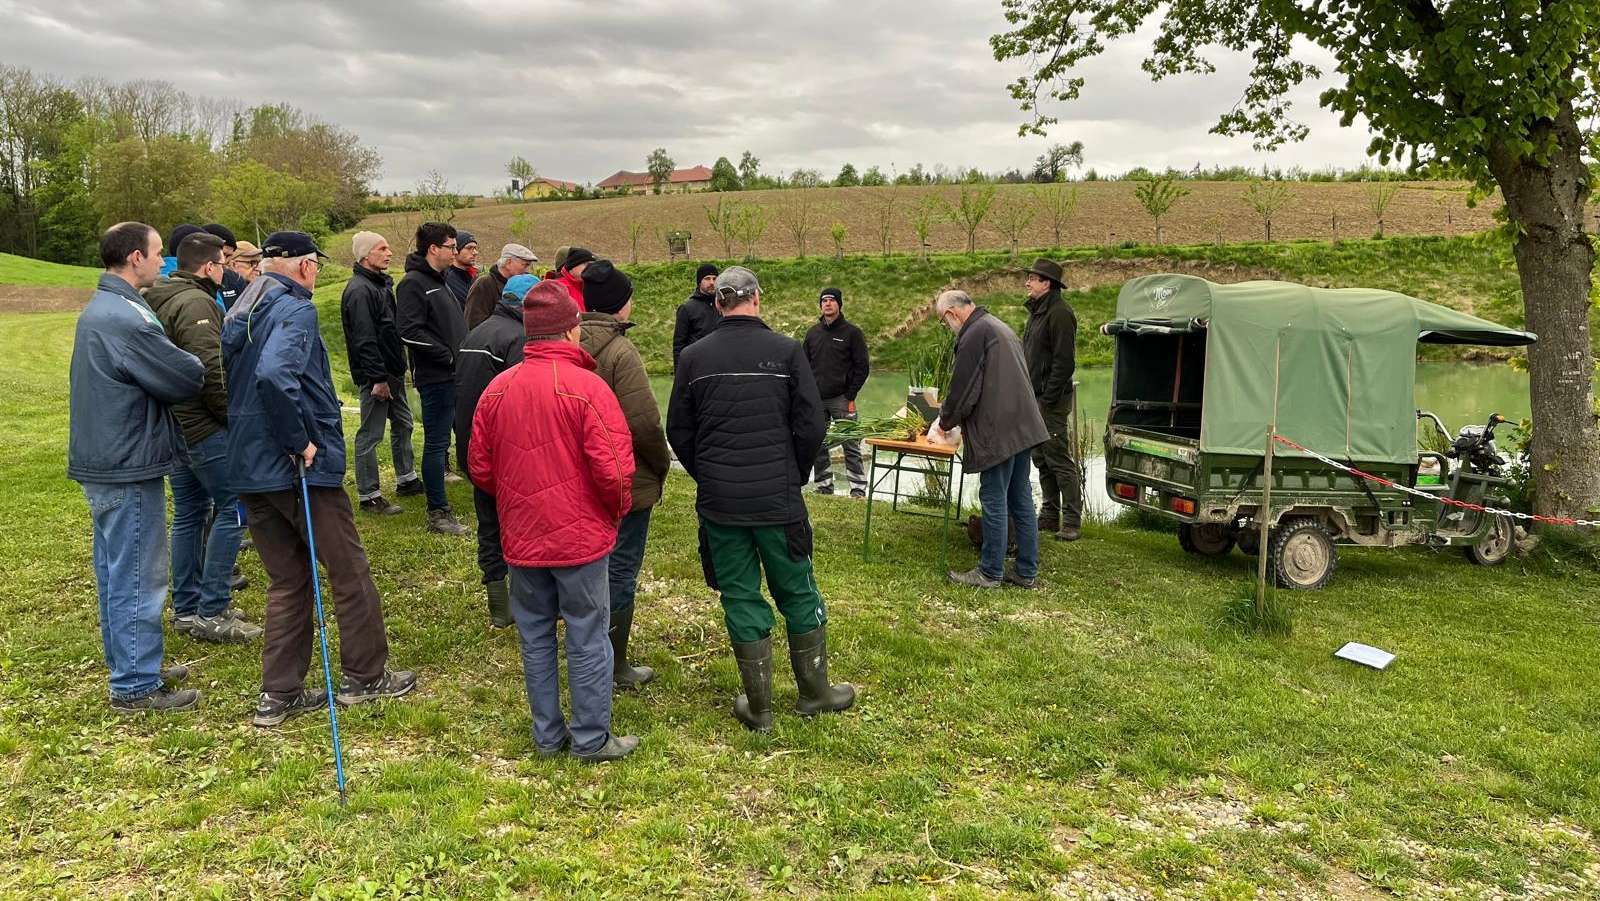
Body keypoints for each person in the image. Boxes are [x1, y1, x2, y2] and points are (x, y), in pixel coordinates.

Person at [221, 231, 417, 727]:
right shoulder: (295, 310)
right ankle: (367, 676)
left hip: (249, 464)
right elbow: (272, 377)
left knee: (287, 580)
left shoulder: (242, 304)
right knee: (348, 571)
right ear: (306, 267)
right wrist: (300, 442)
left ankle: (280, 693)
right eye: (316, 266)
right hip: (297, 468)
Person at [666, 266, 853, 732]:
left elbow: (679, 431)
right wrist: (792, 472)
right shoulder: (788, 351)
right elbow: (812, 425)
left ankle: (761, 708)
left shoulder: (692, 357)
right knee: (797, 588)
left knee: (740, 593)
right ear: (758, 299)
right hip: (778, 500)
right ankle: (815, 693)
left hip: (720, 503)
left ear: (718, 304)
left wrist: (709, 474)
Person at [469, 280, 640, 762]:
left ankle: (548, 736)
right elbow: (615, 470)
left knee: (537, 636)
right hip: (580, 539)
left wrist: (518, 500)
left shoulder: (498, 390)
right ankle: (590, 739)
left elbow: (480, 467)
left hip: (522, 538)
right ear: (570, 331)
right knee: (587, 636)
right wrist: (615, 511)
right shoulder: (589, 389)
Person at [69, 222, 205, 712]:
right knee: (136, 574)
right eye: (156, 253)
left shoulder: (108, 306)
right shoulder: (125, 318)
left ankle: (133, 661)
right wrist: (193, 360)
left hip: (108, 457)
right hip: (126, 461)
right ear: (133, 258)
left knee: (115, 569)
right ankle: (134, 684)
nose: (162, 261)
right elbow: (183, 375)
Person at [144, 231, 261, 643]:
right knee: (233, 507)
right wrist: (233, 420)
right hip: (203, 426)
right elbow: (210, 370)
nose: (226, 269)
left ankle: (187, 606)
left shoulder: (158, 295)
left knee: (191, 513)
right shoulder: (197, 303)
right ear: (210, 267)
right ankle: (213, 609)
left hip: (176, 425)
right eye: (223, 263)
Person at [579, 260, 672, 688]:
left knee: (587, 568)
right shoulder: (620, 353)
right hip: (623, 478)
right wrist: (659, 465)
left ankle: (585, 650)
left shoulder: (570, 342)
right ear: (620, 306)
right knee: (621, 570)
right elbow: (645, 424)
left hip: (579, 480)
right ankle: (614, 666)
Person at [929, 289, 1049, 589]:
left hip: (1000, 430)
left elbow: (963, 388)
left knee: (994, 497)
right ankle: (1026, 571)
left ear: (952, 314)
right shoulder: (998, 325)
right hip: (1023, 426)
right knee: (1020, 497)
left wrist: (944, 424)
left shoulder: (974, 334)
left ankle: (990, 572)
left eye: (945, 322)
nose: (948, 328)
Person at [455, 273, 538, 628]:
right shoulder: (518, 338)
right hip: (506, 450)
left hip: (472, 444)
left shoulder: (477, 332)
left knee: (488, 525)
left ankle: (498, 606)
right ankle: (524, 600)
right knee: (519, 526)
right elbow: (522, 401)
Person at [395, 221, 470, 536]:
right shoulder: (413, 283)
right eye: (451, 246)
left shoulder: (441, 280)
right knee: (437, 444)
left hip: (454, 375)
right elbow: (409, 331)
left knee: (447, 440)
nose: (455, 251)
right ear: (433, 248)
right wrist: (447, 356)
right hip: (436, 377)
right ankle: (438, 512)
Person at [342, 230, 421, 515]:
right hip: (377, 376)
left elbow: (389, 330)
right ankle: (369, 494)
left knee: (404, 423)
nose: (389, 253)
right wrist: (377, 379)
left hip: (393, 372)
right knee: (371, 434)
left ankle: (406, 479)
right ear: (366, 255)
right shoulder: (360, 290)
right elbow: (364, 339)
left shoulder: (380, 285)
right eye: (382, 248)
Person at [1021, 258, 1083, 542]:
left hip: (1051, 400)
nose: (1028, 282)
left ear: (1047, 283)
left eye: (1032, 278)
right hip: (1034, 397)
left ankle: (1071, 521)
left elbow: (1064, 362)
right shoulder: (1037, 312)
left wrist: (1047, 398)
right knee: (1040, 457)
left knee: (1057, 457)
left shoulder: (1059, 313)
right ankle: (1048, 515)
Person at [803, 287, 870, 497]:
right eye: (824, 301)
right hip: (817, 400)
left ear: (839, 304)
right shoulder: (813, 333)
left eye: (832, 300)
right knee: (819, 444)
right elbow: (803, 365)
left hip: (842, 399)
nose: (828, 304)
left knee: (851, 443)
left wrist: (851, 394)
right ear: (820, 305)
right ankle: (824, 486)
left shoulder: (852, 333)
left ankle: (858, 489)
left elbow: (862, 367)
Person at [465, 243, 538, 330]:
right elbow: (474, 322)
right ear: (508, 262)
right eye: (525, 265)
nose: (527, 270)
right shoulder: (484, 284)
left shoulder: (524, 285)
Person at [671, 263, 720, 368]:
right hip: (697, 366)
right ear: (699, 282)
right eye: (707, 278)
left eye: (715, 278)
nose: (712, 282)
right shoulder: (687, 308)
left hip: (721, 364)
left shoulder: (724, 305)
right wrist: (679, 374)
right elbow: (679, 345)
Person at [202, 224, 251, 309]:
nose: (223, 260)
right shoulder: (183, 280)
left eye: (228, 256)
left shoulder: (235, 280)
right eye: (222, 253)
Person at [443, 230, 478, 308]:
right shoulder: (447, 280)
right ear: (456, 250)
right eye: (469, 248)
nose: (475, 252)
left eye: (475, 248)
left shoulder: (474, 276)